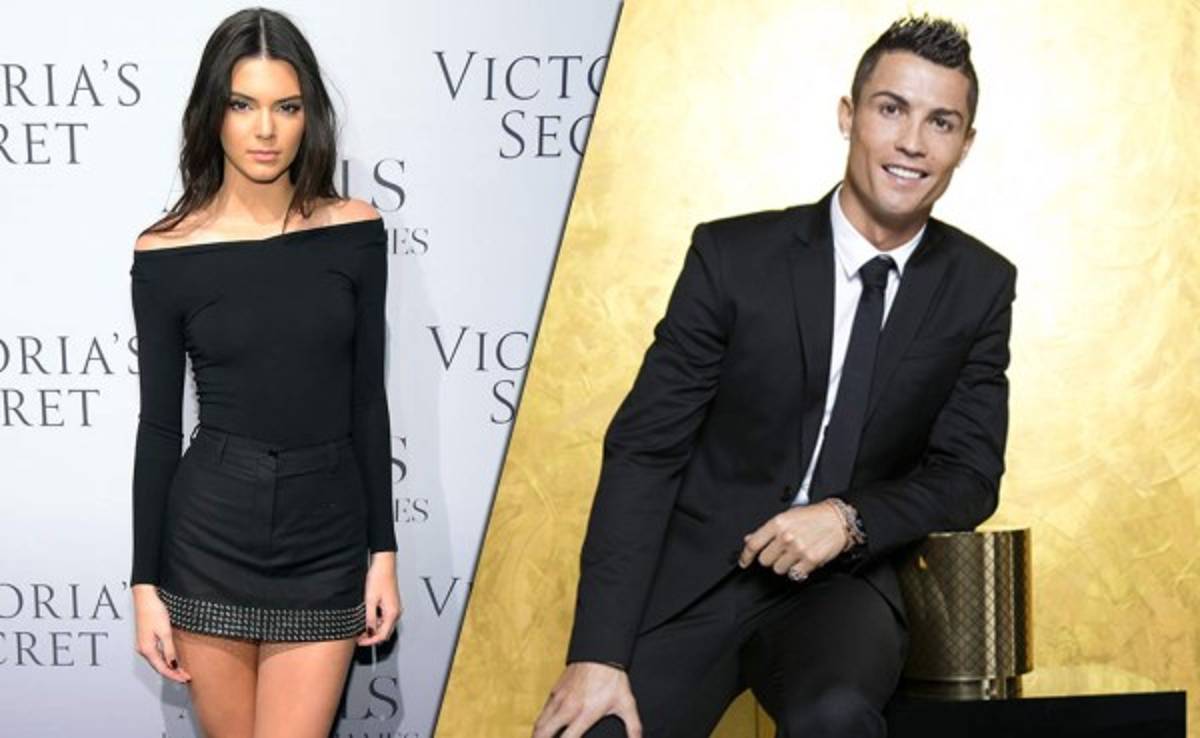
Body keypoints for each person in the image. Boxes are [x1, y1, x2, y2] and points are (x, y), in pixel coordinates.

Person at [533, 14, 1016, 738]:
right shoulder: (732, 259)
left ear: (965, 145)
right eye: (891, 109)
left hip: (842, 592)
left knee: (836, 717)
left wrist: (848, 520)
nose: (913, 142)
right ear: (849, 116)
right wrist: (597, 653)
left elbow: (969, 475)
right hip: (700, 576)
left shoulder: (978, 284)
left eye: (940, 122)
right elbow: (645, 451)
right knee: (595, 731)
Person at [129, 8, 401, 736]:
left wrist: (383, 553)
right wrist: (145, 584)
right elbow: (158, 429)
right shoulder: (165, 252)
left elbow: (366, 403)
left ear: (309, 116)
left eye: (286, 107)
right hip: (209, 535)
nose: (265, 130)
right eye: (243, 105)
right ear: (212, 113)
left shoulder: (355, 231)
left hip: (326, 536)